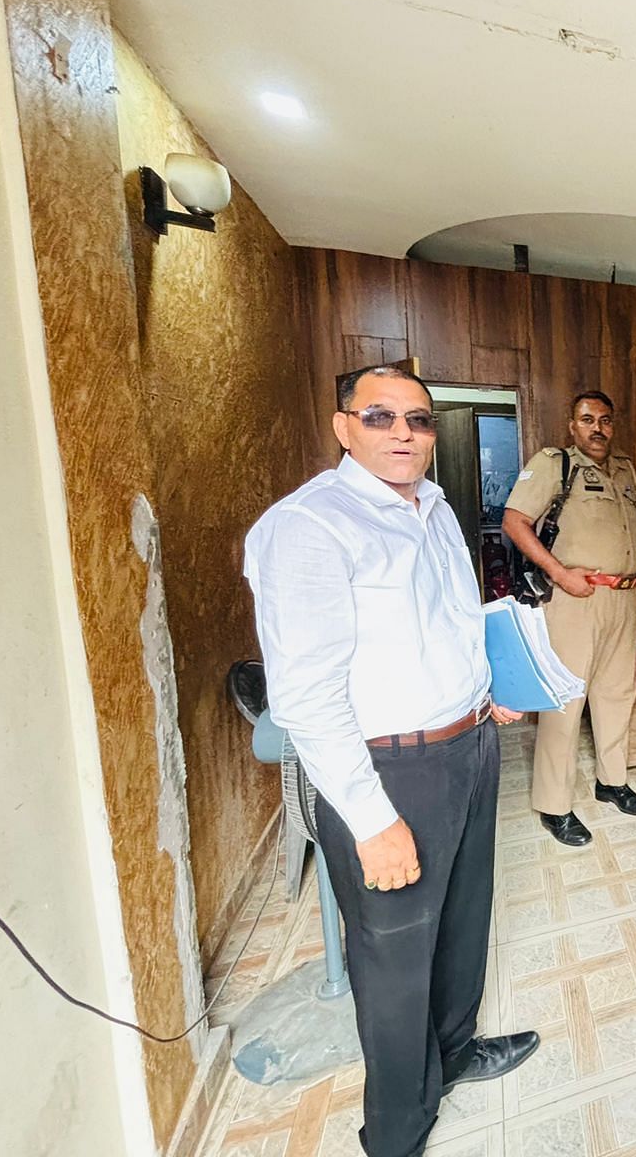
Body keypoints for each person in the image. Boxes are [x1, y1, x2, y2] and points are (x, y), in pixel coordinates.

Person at [244, 364, 538, 1157]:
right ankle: (399, 1132)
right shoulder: (307, 527)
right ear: (344, 427)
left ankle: (455, 1053)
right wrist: (372, 821)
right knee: (395, 953)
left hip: (470, 746)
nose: (404, 433)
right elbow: (305, 698)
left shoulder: (437, 507)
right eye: (381, 417)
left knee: (463, 921)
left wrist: (487, 690)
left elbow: (449, 621)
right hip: (389, 770)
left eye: (418, 418)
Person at [503, 391, 636, 846]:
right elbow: (513, 520)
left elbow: (629, 533)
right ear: (572, 425)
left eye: (605, 419)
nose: (598, 428)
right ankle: (554, 805)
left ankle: (612, 780)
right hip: (574, 599)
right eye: (588, 420)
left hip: (624, 599)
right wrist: (560, 573)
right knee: (565, 702)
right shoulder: (554, 464)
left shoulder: (625, 468)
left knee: (616, 694)